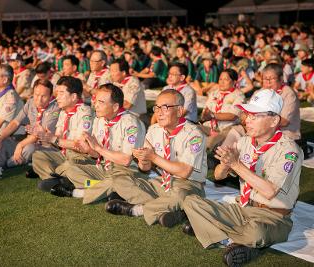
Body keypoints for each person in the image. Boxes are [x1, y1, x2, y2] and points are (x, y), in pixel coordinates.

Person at [182, 89, 303, 267]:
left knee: (257, 233)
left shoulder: (288, 150)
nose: (247, 120)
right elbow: (217, 176)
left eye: (255, 116)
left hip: (271, 216)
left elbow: (269, 191)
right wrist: (225, 164)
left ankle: (220, 233)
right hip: (243, 209)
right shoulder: (245, 141)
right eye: (247, 115)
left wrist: (237, 164)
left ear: (274, 120)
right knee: (191, 201)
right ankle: (235, 241)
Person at [103, 89, 207, 228]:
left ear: (179, 111)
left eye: (165, 107)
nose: (159, 112)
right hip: (161, 181)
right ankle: (172, 210)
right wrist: (143, 160)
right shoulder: (154, 129)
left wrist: (153, 156)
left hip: (187, 184)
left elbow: (184, 172)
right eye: (157, 107)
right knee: (121, 181)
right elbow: (145, 168)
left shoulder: (194, 134)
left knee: (181, 196)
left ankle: (137, 209)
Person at [50, 83, 146, 199]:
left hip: (125, 171)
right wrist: (88, 150)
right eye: (95, 101)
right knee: (72, 170)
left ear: (115, 107)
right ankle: (107, 189)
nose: (95, 105)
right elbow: (97, 154)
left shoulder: (131, 124)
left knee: (118, 181)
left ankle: (78, 192)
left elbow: (126, 160)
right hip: (103, 168)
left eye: (101, 102)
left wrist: (98, 148)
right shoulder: (100, 120)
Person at [0, 78, 59, 181]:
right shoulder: (30, 103)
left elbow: (39, 134)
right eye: (36, 94)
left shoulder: (55, 108)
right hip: (30, 140)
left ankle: (0, 165)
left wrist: (20, 146)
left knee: (29, 148)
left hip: (47, 147)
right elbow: (15, 122)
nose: (39, 99)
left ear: (51, 95)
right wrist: (1, 139)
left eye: (44, 96)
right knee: (4, 140)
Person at [31, 76, 94, 189]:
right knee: (38, 156)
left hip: (81, 157)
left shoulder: (85, 113)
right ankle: (60, 181)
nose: (57, 97)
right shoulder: (63, 112)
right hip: (64, 155)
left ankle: (57, 179)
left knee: (69, 165)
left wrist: (53, 139)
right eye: (57, 93)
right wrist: (46, 135)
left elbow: (79, 145)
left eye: (61, 93)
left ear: (74, 96)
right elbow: (58, 138)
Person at [200, 69, 245, 151]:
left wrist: (212, 115)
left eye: (226, 79)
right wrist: (204, 115)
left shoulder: (238, 95)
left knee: (208, 143)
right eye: (220, 79)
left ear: (234, 82)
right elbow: (205, 112)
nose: (222, 82)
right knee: (193, 130)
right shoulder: (214, 93)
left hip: (227, 128)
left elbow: (233, 116)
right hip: (210, 127)